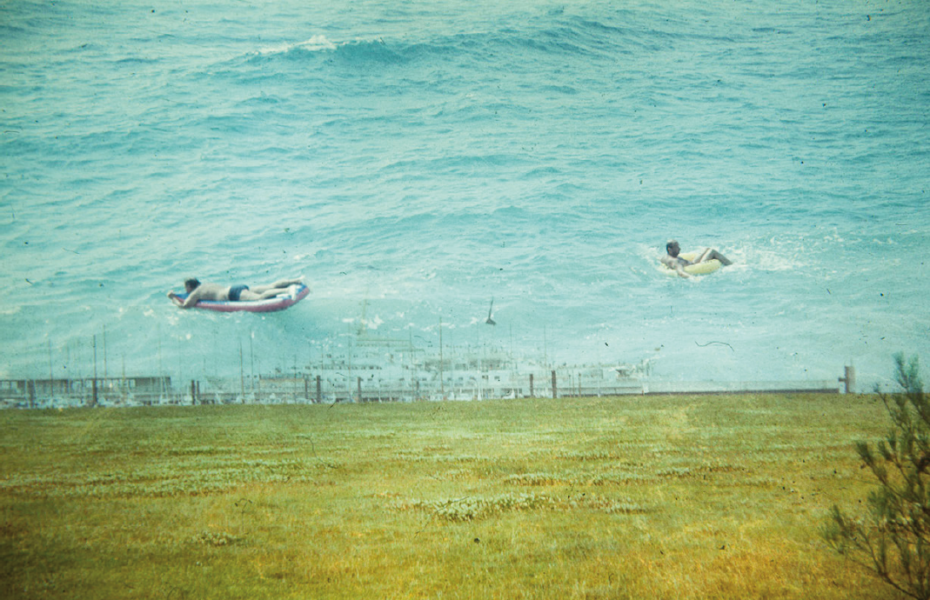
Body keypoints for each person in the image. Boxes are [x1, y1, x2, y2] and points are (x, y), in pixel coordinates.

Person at [168, 277, 304, 308]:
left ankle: (287, 289)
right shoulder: (206, 285)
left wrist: (172, 297)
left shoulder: (195, 293)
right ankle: (297, 280)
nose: (185, 290)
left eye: (186, 287)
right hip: (236, 288)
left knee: (260, 298)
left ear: (189, 287)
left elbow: (184, 306)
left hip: (232, 294)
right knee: (269, 286)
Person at [661, 240, 732, 278]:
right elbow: (680, 272)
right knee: (712, 251)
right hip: (696, 265)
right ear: (669, 249)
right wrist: (694, 278)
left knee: (707, 249)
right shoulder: (675, 261)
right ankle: (732, 265)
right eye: (677, 247)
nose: (679, 249)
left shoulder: (665, 257)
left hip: (692, 262)